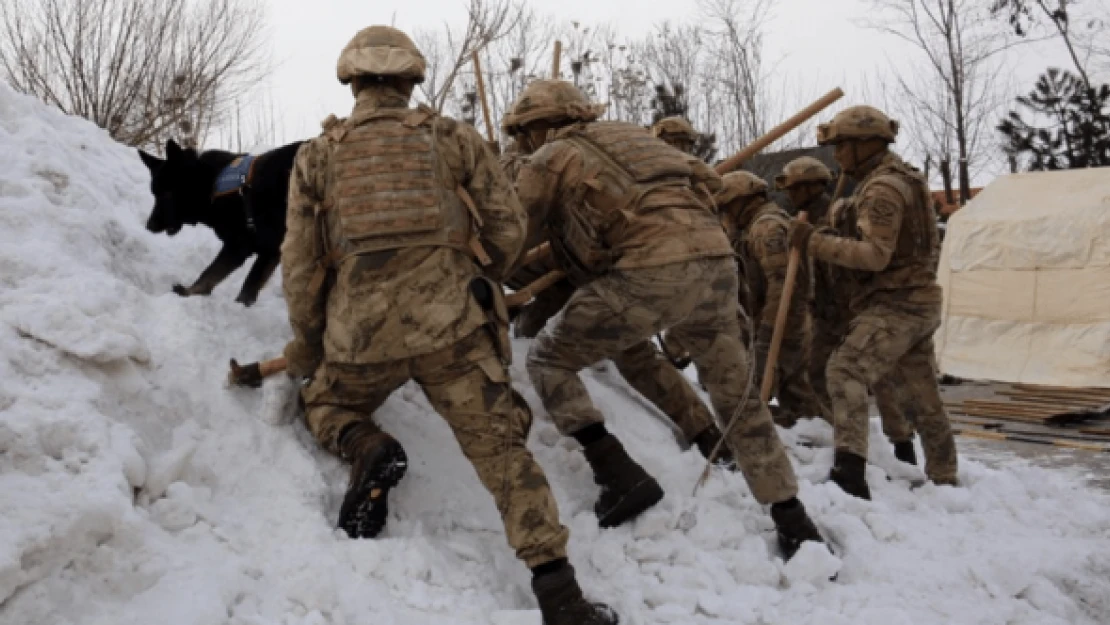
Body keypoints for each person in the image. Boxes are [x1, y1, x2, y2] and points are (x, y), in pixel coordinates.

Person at [279, 26, 617, 624]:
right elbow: (508, 226)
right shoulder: (452, 138)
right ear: (411, 80)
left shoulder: (317, 154)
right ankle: (560, 594)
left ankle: (368, 444)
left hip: (360, 340)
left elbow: (301, 264)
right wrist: (472, 270)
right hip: (455, 332)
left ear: (352, 80)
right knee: (503, 454)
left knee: (324, 404)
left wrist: (307, 346)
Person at [505, 79, 824, 560]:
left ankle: (617, 473)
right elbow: (709, 183)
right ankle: (793, 519)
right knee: (736, 395)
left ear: (537, 127)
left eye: (522, 134)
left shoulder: (551, 156)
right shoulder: (635, 138)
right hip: (716, 265)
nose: (521, 144)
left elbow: (511, 233)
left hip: (648, 272)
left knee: (550, 359)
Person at [788, 105, 959, 500]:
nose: (837, 156)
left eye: (842, 146)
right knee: (922, 394)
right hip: (916, 301)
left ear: (865, 145)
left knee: (844, 370)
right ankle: (945, 476)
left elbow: (874, 255)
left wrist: (813, 241)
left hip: (896, 304)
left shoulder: (883, 188)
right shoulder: (897, 180)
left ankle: (850, 473)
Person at [777, 157, 919, 463]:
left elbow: (858, 254)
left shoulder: (840, 213)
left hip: (853, 307)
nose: (791, 195)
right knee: (818, 374)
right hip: (824, 312)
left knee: (879, 380)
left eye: (796, 188)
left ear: (811, 187)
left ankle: (901, 442)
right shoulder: (800, 221)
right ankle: (841, 434)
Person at [716, 170, 829, 427]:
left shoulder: (767, 228)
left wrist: (769, 327)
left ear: (742, 201)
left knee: (793, 389)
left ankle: (816, 439)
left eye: (727, 208)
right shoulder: (752, 227)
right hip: (773, 318)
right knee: (792, 390)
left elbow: (783, 284)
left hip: (785, 322)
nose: (726, 215)